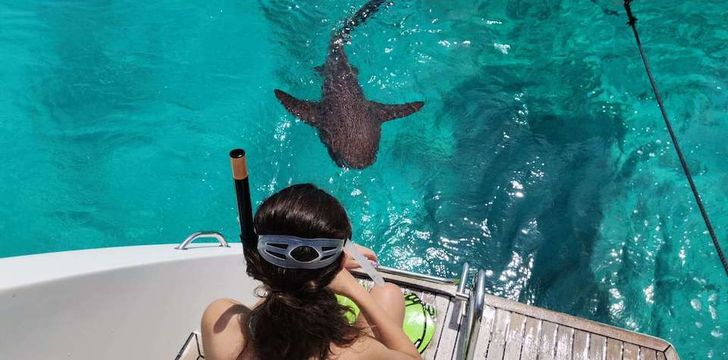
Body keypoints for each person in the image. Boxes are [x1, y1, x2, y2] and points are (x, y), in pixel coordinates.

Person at [201, 184, 421, 360]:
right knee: (387, 294)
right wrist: (355, 290)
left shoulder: (218, 322)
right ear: (340, 264)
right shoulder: (355, 351)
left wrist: (302, 275)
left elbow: (280, 302)